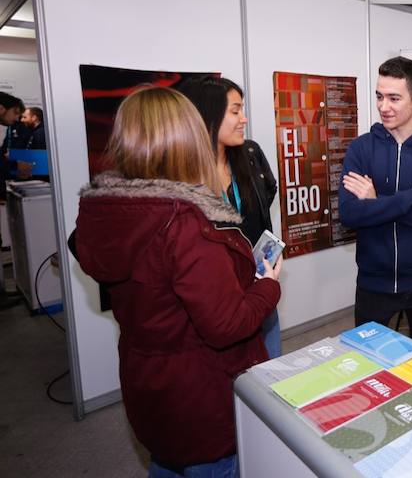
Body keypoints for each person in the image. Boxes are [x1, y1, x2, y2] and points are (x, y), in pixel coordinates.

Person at [73, 86, 281, 477]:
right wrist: (268, 285)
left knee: (168, 462)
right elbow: (227, 325)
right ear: (184, 140)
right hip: (201, 393)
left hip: (149, 381)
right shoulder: (181, 222)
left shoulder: (107, 211)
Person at [339, 56, 412, 350]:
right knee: (367, 366)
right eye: (379, 96)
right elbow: (350, 214)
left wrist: (376, 204)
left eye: (394, 98)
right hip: (373, 283)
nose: (383, 106)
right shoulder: (361, 148)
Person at [175, 76, 282, 359]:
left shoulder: (249, 154)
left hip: (259, 285)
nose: (243, 119)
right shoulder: (182, 173)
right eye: (235, 111)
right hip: (218, 297)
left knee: (267, 377)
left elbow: (267, 192)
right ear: (207, 115)